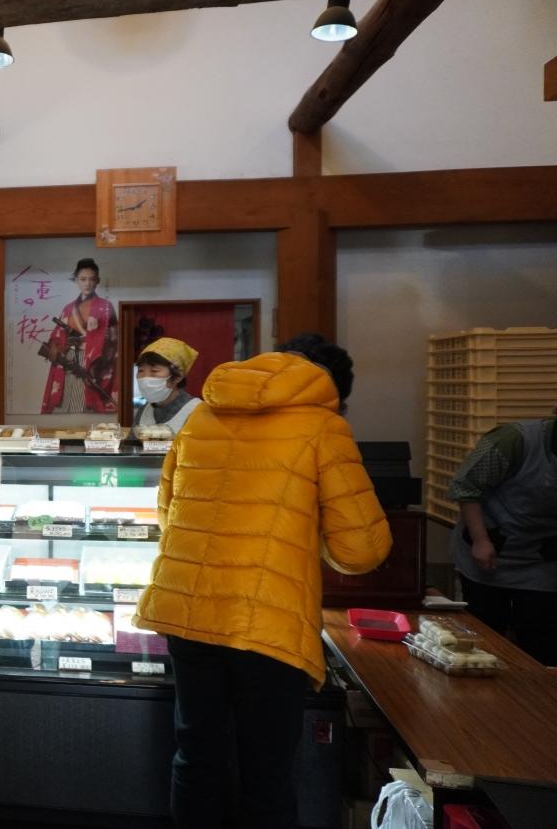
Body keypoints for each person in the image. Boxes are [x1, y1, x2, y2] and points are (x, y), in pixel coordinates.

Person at [134, 333, 392, 829]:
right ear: (329, 384)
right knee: (266, 775)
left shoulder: (201, 419)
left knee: (196, 757)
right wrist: (302, 534)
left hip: (189, 613)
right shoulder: (323, 426)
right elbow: (360, 550)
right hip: (270, 624)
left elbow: (168, 514)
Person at [447, 410, 557, 665]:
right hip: (490, 547)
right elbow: (466, 487)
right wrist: (480, 539)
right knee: (484, 638)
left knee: (541, 640)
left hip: (541, 557)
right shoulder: (513, 440)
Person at [40, 258, 117, 414]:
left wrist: (98, 357)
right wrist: (55, 346)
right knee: (65, 398)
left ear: (98, 281)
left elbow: (114, 338)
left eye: (92, 279)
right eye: (83, 279)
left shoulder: (105, 307)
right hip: (68, 358)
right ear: (77, 280)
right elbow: (58, 335)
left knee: (85, 400)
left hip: (93, 360)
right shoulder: (68, 308)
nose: (87, 283)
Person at [133, 337, 202, 434]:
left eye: (154, 371)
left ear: (177, 377)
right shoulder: (144, 410)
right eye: (141, 371)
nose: (145, 377)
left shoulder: (197, 411)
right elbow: (132, 442)